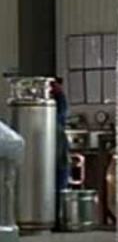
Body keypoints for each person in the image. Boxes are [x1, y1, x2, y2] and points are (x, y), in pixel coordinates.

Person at [50, 77, 70, 228]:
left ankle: (57, 218)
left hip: (58, 152)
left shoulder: (56, 116)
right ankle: (56, 218)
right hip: (56, 153)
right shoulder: (54, 117)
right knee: (59, 185)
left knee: (59, 185)